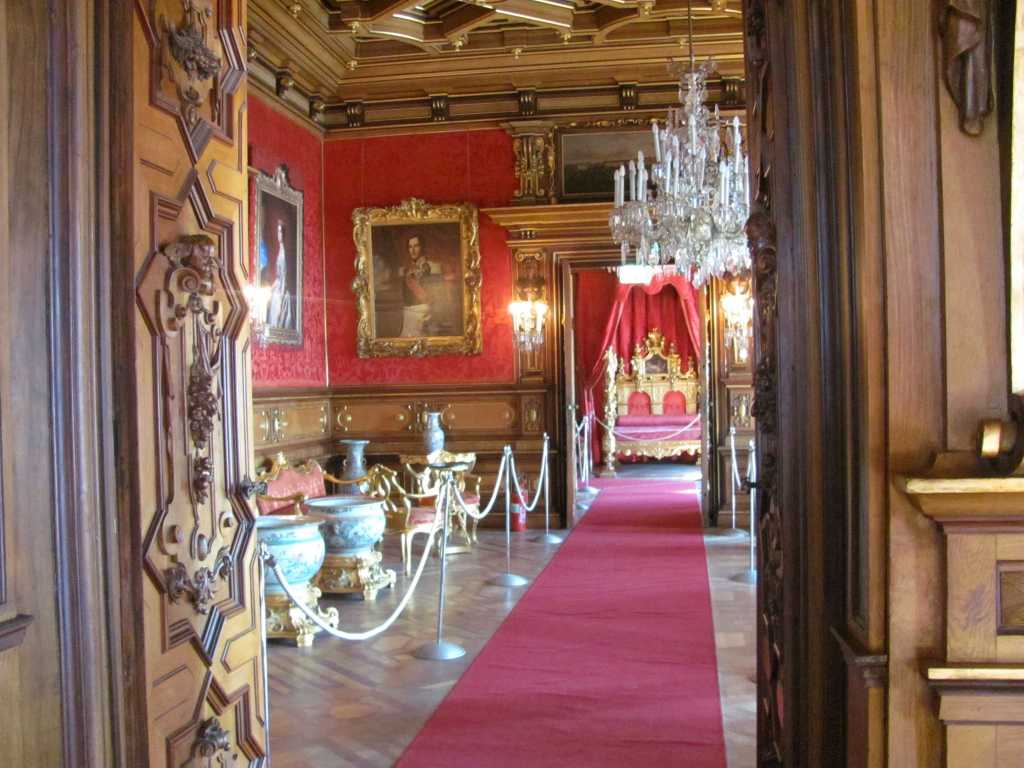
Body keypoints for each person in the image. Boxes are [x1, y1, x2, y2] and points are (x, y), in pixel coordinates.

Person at [399, 234, 456, 337]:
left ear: (422, 247)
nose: (413, 250)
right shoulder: (405, 270)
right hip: (409, 316)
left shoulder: (434, 267)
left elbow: (440, 294)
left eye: (416, 246)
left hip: (426, 315)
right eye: (410, 247)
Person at [261, 218, 293, 331]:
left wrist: (280, 292)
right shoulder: (279, 250)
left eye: (281, 232)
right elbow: (278, 276)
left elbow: (283, 276)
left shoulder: (284, 253)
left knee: (277, 314)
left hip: (281, 289)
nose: (280, 234)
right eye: (278, 231)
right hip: (278, 286)